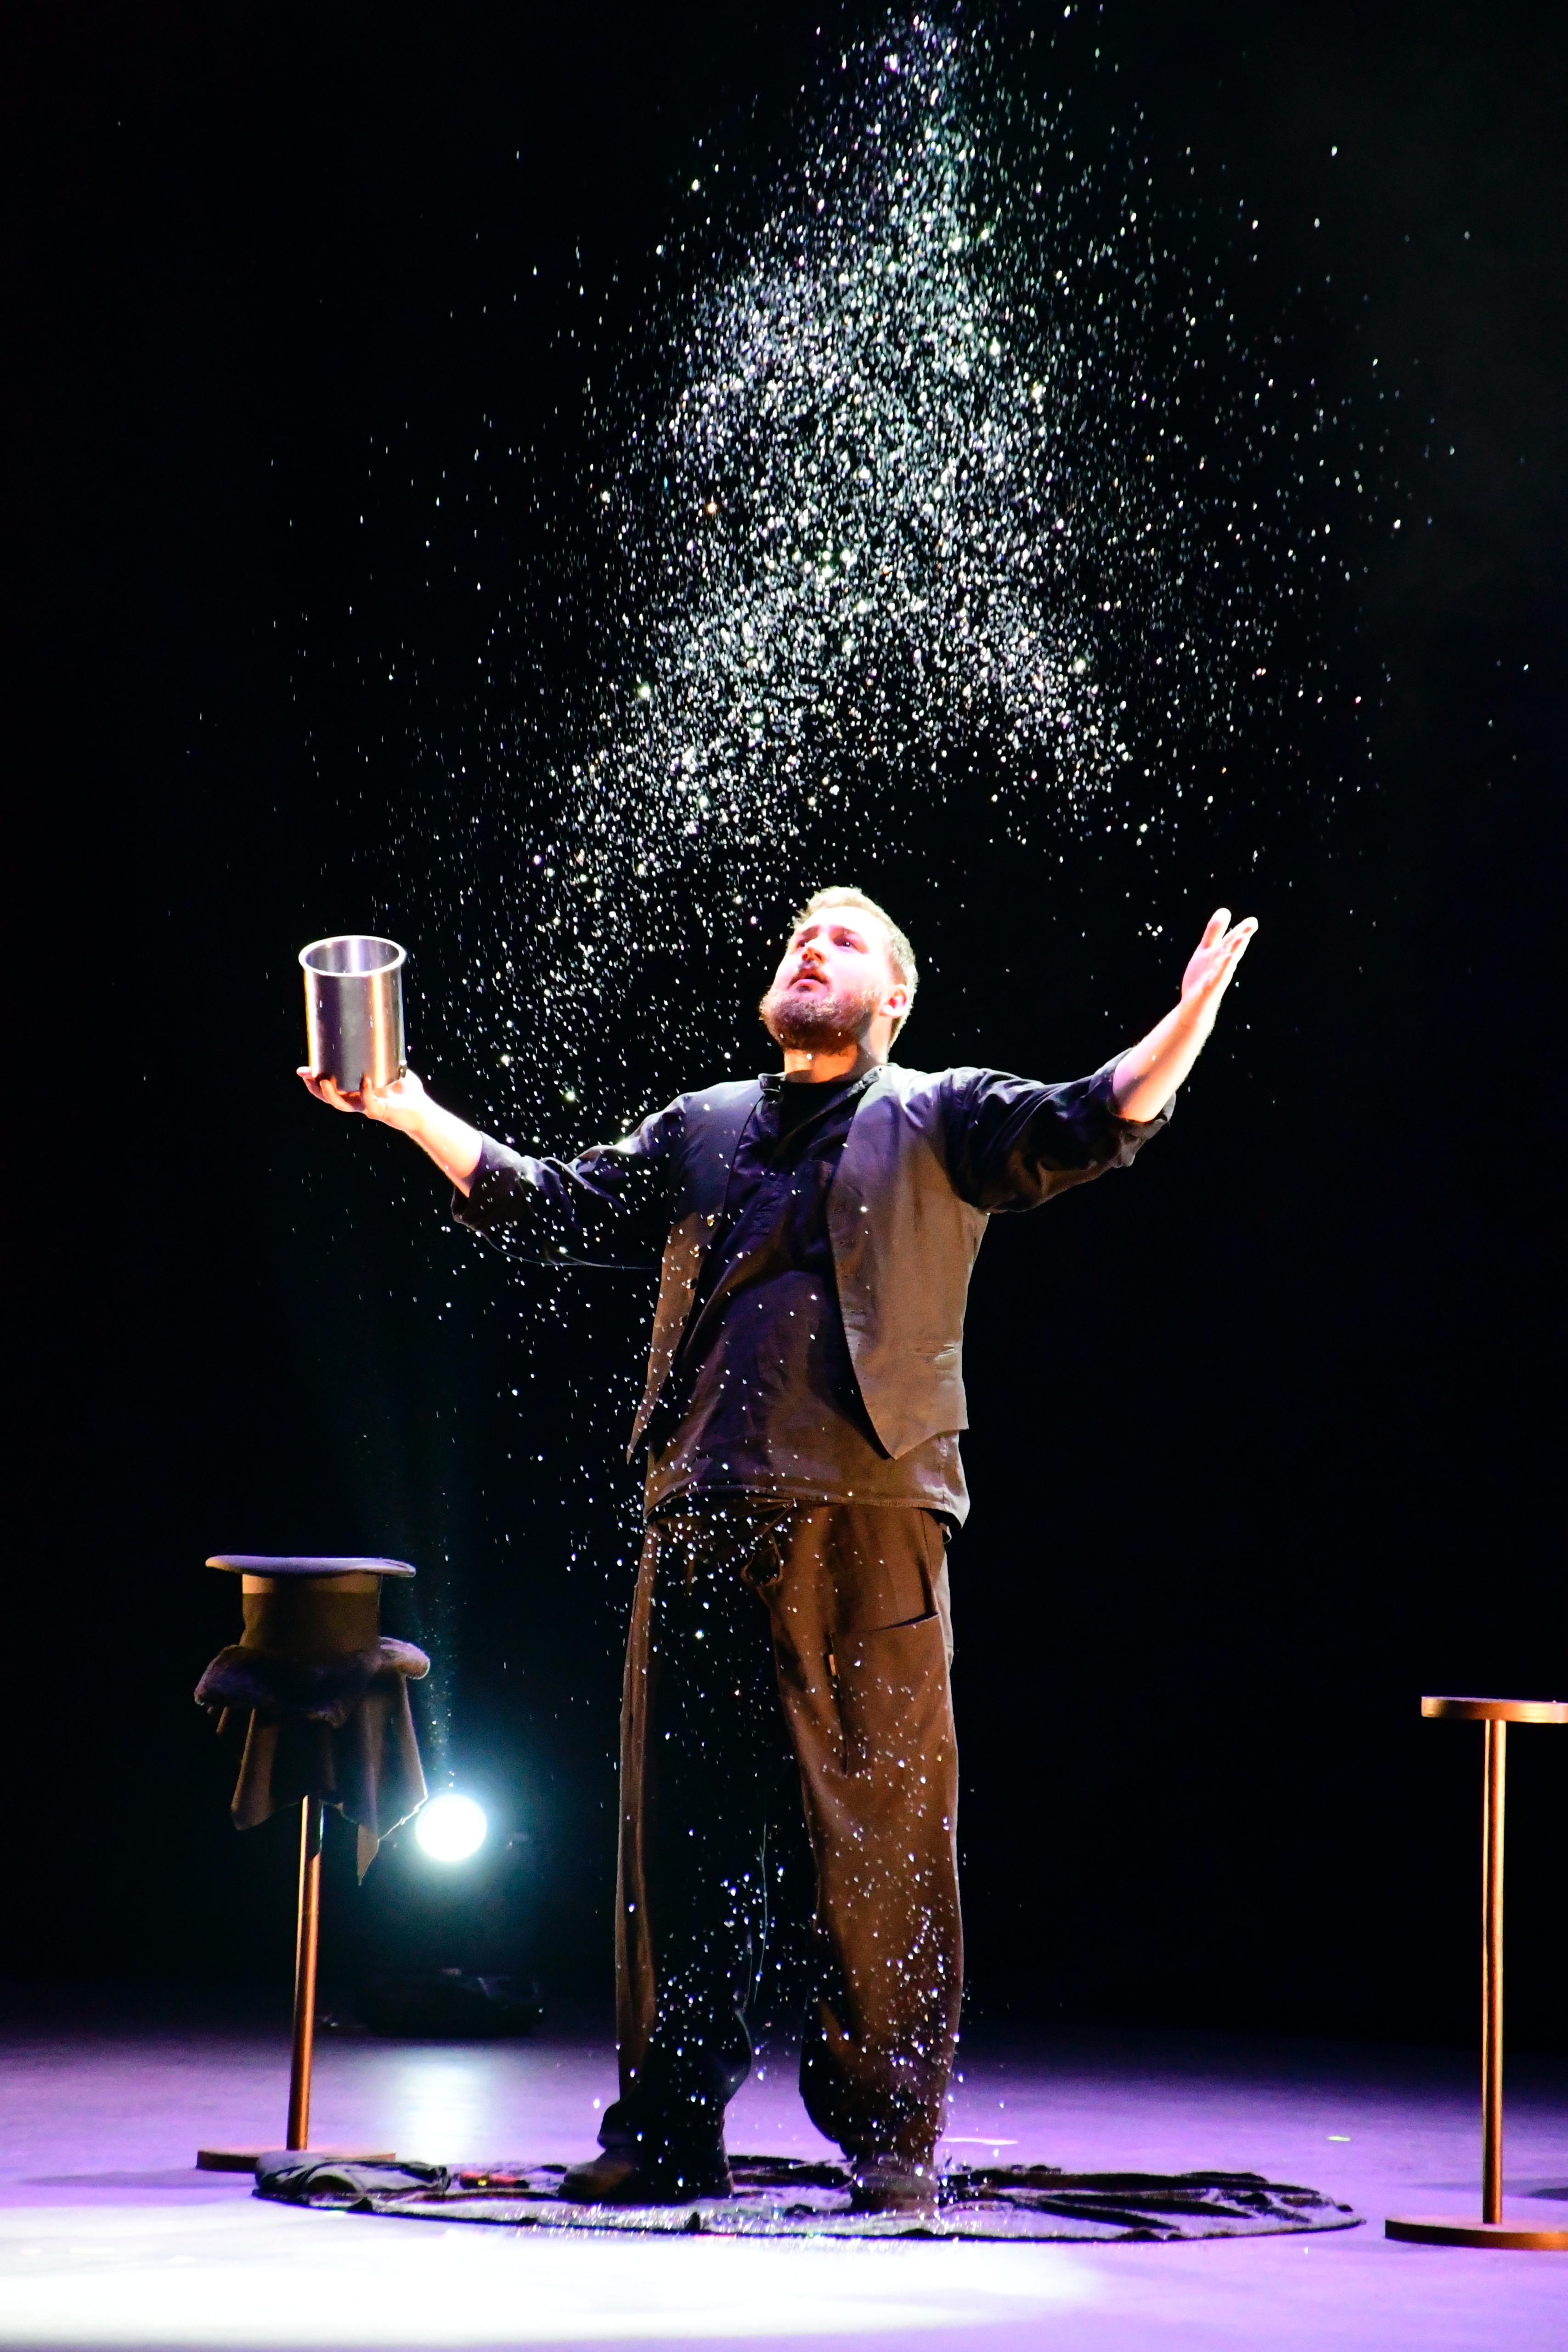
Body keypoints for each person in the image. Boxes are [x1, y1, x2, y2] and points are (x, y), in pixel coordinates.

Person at [299, 888, 1256, 2211]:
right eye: (802, 933)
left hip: (868, 1523)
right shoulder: (704, 1125)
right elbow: (553, 1203)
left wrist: (1188, 1019)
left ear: (896, 999)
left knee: (879, 1843)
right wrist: (400, 1103)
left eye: (848, 939)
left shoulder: (941, 1113)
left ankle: (892, 2145)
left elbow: (1095, 1118)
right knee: (680, 1847)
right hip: (697, 1511)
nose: (813, 945)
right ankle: (666, 2128)